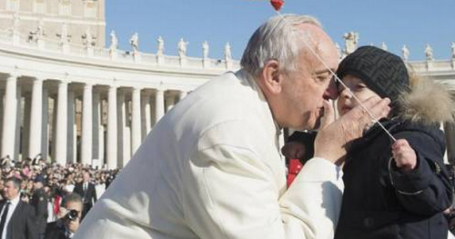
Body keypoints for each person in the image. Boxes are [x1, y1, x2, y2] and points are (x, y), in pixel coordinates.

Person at [74, 14, 390, 239]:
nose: (333, 93)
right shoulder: (229, 132)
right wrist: (325, 159)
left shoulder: (245, 107)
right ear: (274, 76)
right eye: (322, 77)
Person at [284, 46, 454, 239]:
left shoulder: (412, 136)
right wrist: (305, 144)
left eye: (359, 87)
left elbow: (437, 197)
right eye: (341, 87)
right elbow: (338, 148)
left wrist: (413, 171)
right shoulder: (361, 136)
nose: (346, 94)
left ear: (388, 98)